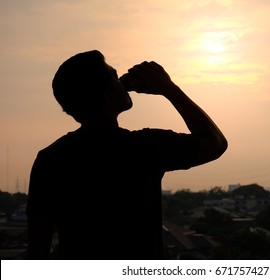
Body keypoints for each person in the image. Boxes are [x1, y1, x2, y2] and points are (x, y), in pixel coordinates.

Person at [26, 50, 227, 259]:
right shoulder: (145, 147)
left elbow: (37, 249)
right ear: (108, 95)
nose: (122, 81)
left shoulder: (50, 158)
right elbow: (215, 143)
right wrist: (169, 89)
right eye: (114, 77)